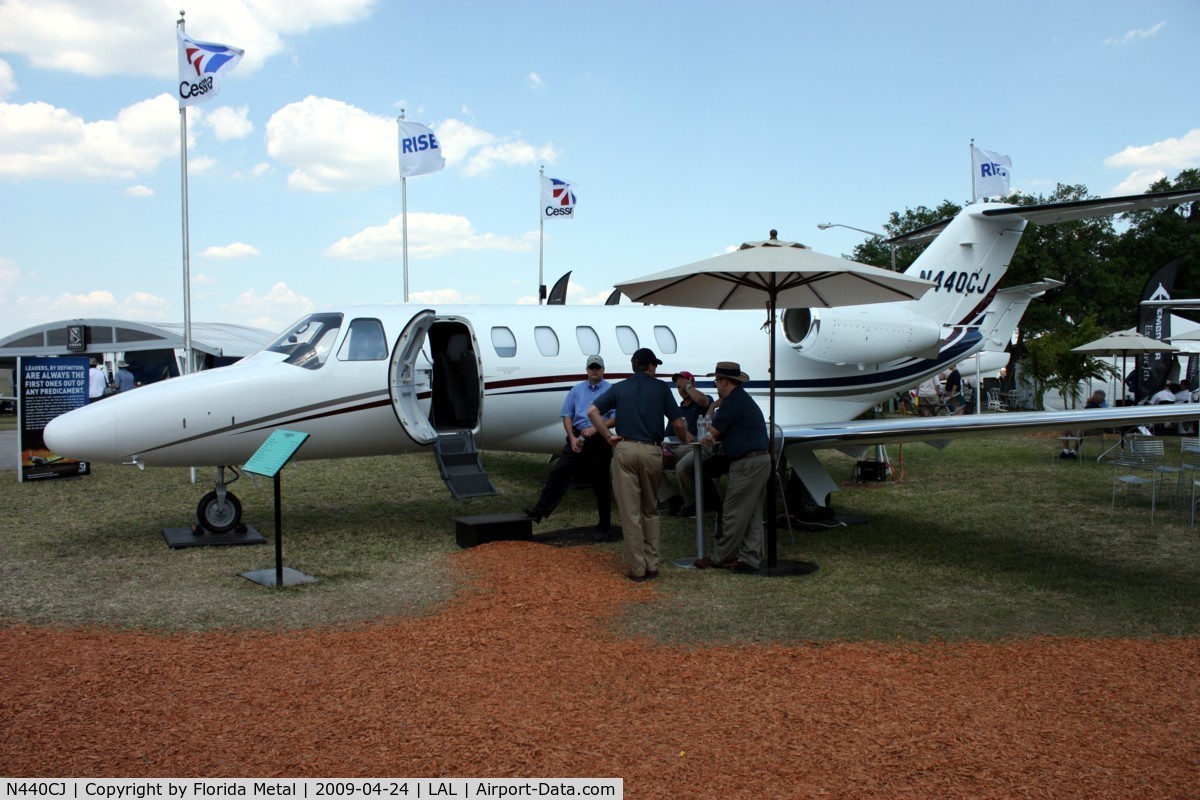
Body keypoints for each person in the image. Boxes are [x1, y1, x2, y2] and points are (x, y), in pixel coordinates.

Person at [588, 347, 688, 582]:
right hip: (652, 450)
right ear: (651, 366)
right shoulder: (661, 388)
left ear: (634, 367)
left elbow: (592, 411)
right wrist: (684, 441)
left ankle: (637, 568)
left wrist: (607, 435)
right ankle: (653, 564)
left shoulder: (620, 388)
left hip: (626, 448)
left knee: (629, 512)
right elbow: (678, 423)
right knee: (649, 510)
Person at [522, 355, 616, 540]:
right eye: (591, 367)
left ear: (603, 370)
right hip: (577, 438)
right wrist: (572, 438)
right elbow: (567, 415)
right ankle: (539, 512)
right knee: (559, 472)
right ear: (587, 370)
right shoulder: (577, 390)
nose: (594, 370)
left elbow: (615, 417)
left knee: (601, 484)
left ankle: (604, 526)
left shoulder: (611, 391)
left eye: (598, 367)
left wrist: (596, 428)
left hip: (599, 440)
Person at [693, 361, 770, 572]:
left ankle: (720, 557)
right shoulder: (742, 400)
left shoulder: (731, 403)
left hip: (746, 463)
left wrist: (706, 432)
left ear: (725, 382)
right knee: (752, 511)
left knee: (733, 511)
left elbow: (711, 433)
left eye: (717, 381)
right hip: (760, 461)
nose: (716, 385)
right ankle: (750, 557)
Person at [659, 370, 712, 515]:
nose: (681, 389)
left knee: (682, 467)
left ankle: (693, 504)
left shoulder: (703, 402)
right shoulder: (677, 410)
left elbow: (702, 401)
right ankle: (673, 498)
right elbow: (667, 436)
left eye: (685, 385)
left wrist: (688, 386)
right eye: (679, 387)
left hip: (700, 448)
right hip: (679, 448)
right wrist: (665, 449)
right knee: (651, 463)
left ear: (692, 384)